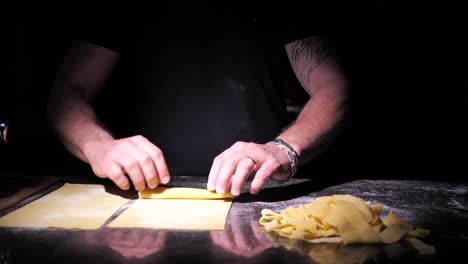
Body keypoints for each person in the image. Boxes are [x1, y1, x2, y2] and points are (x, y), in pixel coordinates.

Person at [47, 5, 348, 196]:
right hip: (145, 196)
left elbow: (334, 88)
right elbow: (68, 92)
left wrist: (283, 150)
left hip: (259, 195)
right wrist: (97, 144)